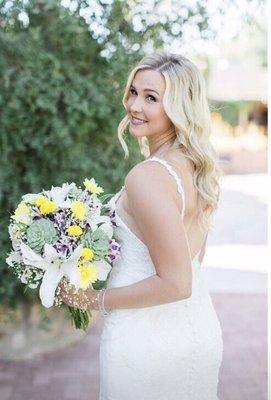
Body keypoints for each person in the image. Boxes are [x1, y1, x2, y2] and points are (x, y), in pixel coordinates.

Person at [59, 51, 224, 400]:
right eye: (134, 92)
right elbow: (194, 261)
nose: (134, 105)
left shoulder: (148, 176)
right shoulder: (196, 169)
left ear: (179, 107)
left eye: (151, 98)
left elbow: (178, 283)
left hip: (145, 343)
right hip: (195, 329)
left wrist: (94, 298)